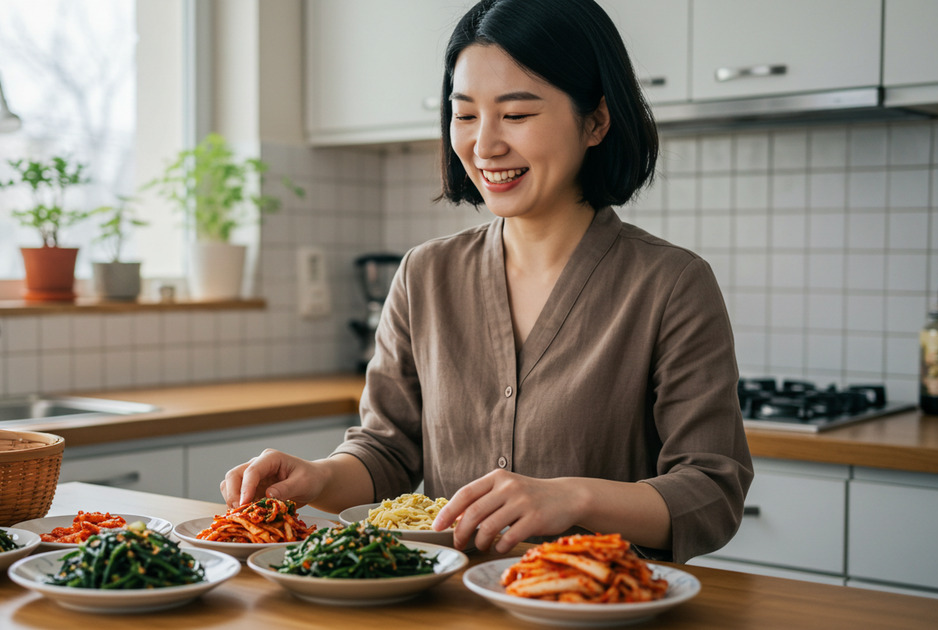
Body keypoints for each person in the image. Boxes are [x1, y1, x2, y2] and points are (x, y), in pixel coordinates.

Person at [222, 0, 753, 563]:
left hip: (596, 605)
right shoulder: (425, 275)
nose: (484, 144)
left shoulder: (671, 284)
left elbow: (712, 490)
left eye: (517, 115)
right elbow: (389, 451)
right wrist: (319, 478)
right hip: (443, 603)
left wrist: (572, 498)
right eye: (466, 114)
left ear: (596, 121)